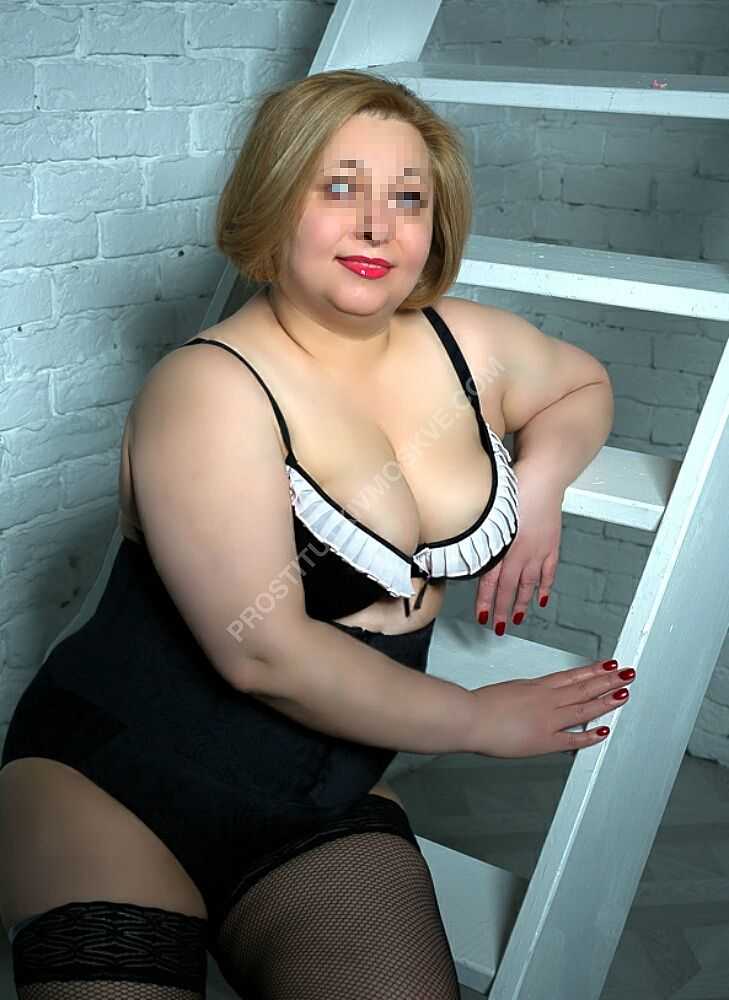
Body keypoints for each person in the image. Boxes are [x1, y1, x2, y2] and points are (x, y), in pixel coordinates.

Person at [0, 69, 635, 999]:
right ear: (274, 200)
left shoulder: (468, 344)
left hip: (318, 795)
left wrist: (538, 487)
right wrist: (476, 719)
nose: (377, 225)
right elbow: (264, 655)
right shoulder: (208, 386)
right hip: (115, 782)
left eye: (407, 198)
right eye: (339, 188)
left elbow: (582, 386)